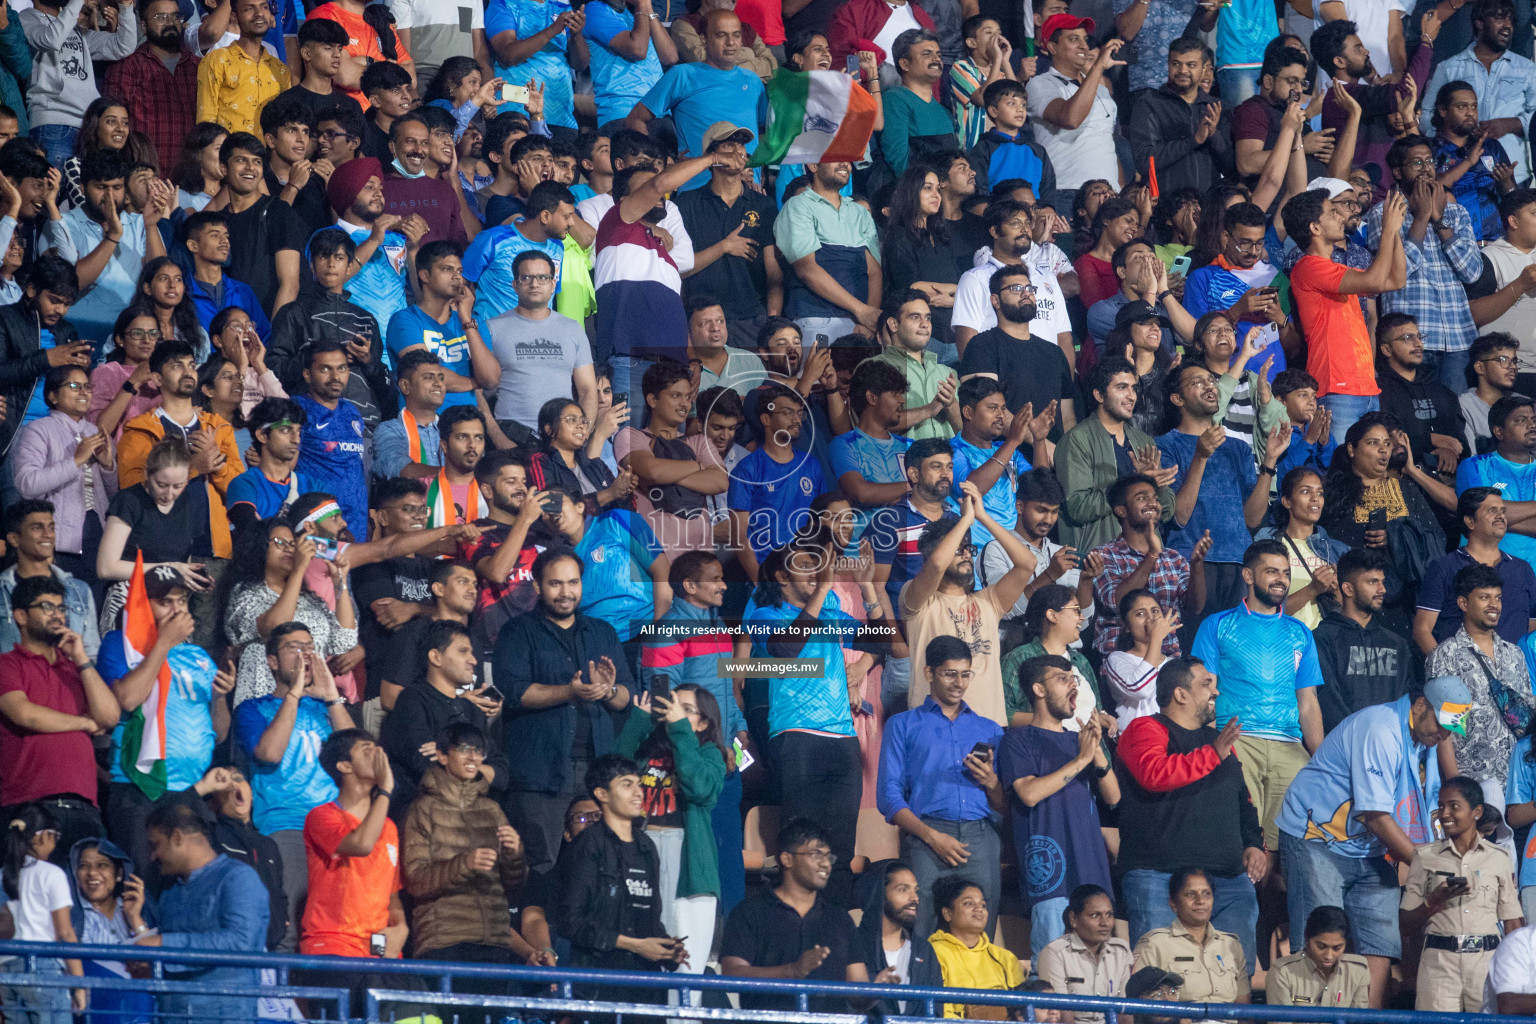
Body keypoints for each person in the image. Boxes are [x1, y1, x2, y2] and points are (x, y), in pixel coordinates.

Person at [1276, 676, 1472, 1008]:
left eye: (1451, 729)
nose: (1444, 735)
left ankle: (1367, 1018)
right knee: (1321, 938)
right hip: (1316, 838)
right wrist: (1426, 864)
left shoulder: (1414, 737)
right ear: (1420, 705)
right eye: (1441, 724)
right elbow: (1375, 815)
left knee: (1381, 940)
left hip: (1365, 847)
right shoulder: (1381, 729)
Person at [495, 548, 633, 874]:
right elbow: (516, 692)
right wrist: (570, 692)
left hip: (596, 769)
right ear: (538, 587)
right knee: (540, 869)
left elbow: (627, 697)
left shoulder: (602, 632)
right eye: (556, 584)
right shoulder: (517, 632)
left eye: (573, 583)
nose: (566, 592)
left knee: (601, 868)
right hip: (540, 772)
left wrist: (608, 690)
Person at [98, 565, 230, 881]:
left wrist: (220, 696)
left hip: (191, 790)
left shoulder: (200, 656)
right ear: (144, 606)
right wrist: (163, 643)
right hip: (138, 788)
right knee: (143, 883)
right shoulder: (120, 645)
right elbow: (127, 700)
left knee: (198, 885)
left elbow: (221, 733)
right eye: (166, 602)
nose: (176, 609)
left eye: (182, 601)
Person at [1191, 540, 1325, 847]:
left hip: (1290, 748)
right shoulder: (1217, 625)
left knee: (1285, 853)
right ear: (1248, 576)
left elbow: (1308, 702)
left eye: (1285, 573)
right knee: (1240, 845)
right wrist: (1212, 749)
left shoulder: (1300, 632)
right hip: (1238, 742)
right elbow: (1204, 692)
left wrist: (1320, 759)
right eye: (1271, 571)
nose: (1281, 579)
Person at [231, 623, 354, 950]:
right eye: (294, 647)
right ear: (272, 661)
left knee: (335, 931)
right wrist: (295, 694)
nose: (305, 655)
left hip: (334, 827)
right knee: (289, 930)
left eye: (310, 647)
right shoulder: (253, 708)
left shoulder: (326, 708)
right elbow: (269, 753)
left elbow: (357, 755)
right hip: (285, 827)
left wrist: (331, 698)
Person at [877, 636, 1005, 939]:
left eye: (965, 674)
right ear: (928, 673)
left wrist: (992, 783)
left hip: (981, 837)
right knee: (919, 932)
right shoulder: (902, 725)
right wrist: (932, 837)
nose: (959, 683)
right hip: (926, 836)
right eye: (950, 674)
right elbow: (889, 798)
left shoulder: (990, 729)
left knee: (980, 935)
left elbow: (1004, 805)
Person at [611, 684, 727, 996]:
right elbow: (610, 778)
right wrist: (638, 722)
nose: (676, 713)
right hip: (642, 853)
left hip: (688, 867)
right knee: (641, 967)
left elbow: (699, 788)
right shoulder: (648, 752)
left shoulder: (709, 754)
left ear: (703, 723)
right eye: (673, 706)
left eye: (687, 710)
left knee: (684, 975)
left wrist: (679, 730)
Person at [1000, 655, 1118, 958]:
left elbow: (1114, 797)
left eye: (1074, 679)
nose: (1073, 685)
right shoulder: (1017, 739)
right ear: (1039, 689)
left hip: (1091, 866)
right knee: (1054, 966)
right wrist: (1081, 759)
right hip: (1052, 872)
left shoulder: (1079, 740)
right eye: (1063, 678)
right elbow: (1028, 793)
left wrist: (1097, 753)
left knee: (1099, 969)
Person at [0, 574, 119, 860]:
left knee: (81, 901)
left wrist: (81, 658)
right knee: (32, 901)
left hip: (85, 807)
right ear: (20, 616)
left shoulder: (74, 670)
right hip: (29, 805)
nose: (58, 614)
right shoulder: (8, 665)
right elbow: (24, 714)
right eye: (47, 607)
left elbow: (110, 716)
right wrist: (82, 723)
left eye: (61, 608)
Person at [1158, 365, 1291, 610]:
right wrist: (1200, 455)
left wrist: (1269, 461)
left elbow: (1251, 519)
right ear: (1177, 398)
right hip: (1189, 560)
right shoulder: (1164, 446)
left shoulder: (1237, 448)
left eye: (1211, 381)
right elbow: (1179, 516)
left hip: (1238, 561)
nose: (1210, 386)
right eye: (1198, 382)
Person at [902, 486, 1036, 725]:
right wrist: (964, 520)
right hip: (934, 724)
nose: (966, 555)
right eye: (957, 550)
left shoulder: (988, 601)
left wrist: (982, 516)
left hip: (988, 724)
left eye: (968, 549)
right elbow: (935, 566)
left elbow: (1027, 563)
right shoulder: (917, 600)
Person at [1283, 187, 1408, 441]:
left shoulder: (1333, 268)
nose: (1341, 216)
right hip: (1335, 387)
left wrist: (1394, 233)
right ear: (1314, 228)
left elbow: (1396, 279)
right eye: (1332, 212)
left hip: (1364, 386)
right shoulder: (1308, 267)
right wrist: (1386, 230)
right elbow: (1374, 281)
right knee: (1339, 469)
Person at [558, 753, 683, 1000]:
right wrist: (636, 945)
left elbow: (651, 919)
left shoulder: (646, 846)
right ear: (602, 794)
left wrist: (667, 949)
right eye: (627, 784)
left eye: (639, 784)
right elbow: (570, 922)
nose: (639, 792)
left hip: (645, 987)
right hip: (599, 988)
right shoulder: (589, 844)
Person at [401, 721, 528, 964]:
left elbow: (512, 887)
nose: (474, 757)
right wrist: (464, 864)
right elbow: (415, 881)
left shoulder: (492, 809)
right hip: (445, 941)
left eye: (479, 751)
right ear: (441, 755)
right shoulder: (423, 808)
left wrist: (515, 855)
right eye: (464, 749)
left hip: (495, 941)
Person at [135, 800, 267, 1023]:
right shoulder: (170, 891)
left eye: (155, 845)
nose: (153, 856)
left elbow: (240, 943)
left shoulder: (238, 878)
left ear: (176, 837)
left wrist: (162, 945)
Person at [1402, 775, 1525, 1011]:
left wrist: (1516, 973)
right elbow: (1405, 925)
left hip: (1486, 965)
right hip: (1438, 966)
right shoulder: (1424, 856)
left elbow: (1511, 921)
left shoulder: (1499, 857)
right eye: (1440, 806)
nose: (1444, 813)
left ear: (1476, 812)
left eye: (1453, 806)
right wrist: (1435, 900)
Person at [1425, 563, 1536, 821]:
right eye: (1484, 597)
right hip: (1474, 788)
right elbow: (1443, 730)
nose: (1494, 605)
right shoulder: (1446, 656)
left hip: (1519, 790)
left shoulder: (1515, 654)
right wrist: (1457, 792)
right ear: (1463, 603)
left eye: (1497, 598)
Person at [721, 817, 869, 1010]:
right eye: (816, 855)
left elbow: (859, 994)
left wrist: (878, 992)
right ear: (787, 858)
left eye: (828, 856)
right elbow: (732, 974)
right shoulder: (749, 913)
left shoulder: (840, 920)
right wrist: (792, 971)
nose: (826, 864)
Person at [626, 10, 766, 191]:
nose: (731, 43)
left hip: (746, 191)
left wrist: (757, 169)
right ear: (703, 39)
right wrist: (659, 160)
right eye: (721, 35)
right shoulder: (682, 75)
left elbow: (763, 131)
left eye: (736, 35)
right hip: (696, 190)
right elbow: (635, 119)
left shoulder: (753, 81)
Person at [675, 123, 779, 349]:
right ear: (711, 156)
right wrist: (723, 247)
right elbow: (676, 270)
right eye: (728, 144)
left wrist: (772, 323)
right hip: (700, 321)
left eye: (741, 144)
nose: (737, 151)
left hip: (751, 321)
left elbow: (774, 273)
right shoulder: (685, 204)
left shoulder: (764, 205)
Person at [1056, 358, 1177, 552]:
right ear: (1099, 395)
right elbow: (1077, 507)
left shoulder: (1143, 441)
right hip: (1099, 561)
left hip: (1146, 557)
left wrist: (1158, 487)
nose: (1131, 396)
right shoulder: (1077, 440)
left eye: (1133, 388)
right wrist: (1129, 483)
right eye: (1122, 387)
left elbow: (1167, 511)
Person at [1419, 0, 1536, 189]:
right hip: (1459, 175)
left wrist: (1511, 124)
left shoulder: (1528, 69)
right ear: (1479, 23)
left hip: (1513, 173)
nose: (1508, 26)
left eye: (1510, 21)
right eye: (1500, 19)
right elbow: (1426, 116)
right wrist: (1451, 135)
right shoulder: (1448, 68)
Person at [1089, 473, 1205, 658]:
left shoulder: (1174, 558)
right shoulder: (1104, 555)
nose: (1152, 503)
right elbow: (1115, 602)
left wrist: (1197, 565)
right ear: (1121, 510)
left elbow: (1195, 607)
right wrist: (1152, 555)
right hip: (1121, 659)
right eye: (1142, 498)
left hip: (1167, 659)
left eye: (1155, 499)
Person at [953, 200, 1075, 371]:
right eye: (1015, 223)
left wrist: (1065, 387)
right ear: (994, 231)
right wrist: (982, 389)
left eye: (1027, 223)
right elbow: (967, 340)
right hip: (1000, 380)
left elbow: (1063, 337)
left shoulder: (1047, 277)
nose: (1024, 229)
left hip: (1048, 378)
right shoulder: (975, 279)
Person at [487, 250, 595, 443]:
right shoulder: (493, 328)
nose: (534, 284)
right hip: (511, 436)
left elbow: (587, 389)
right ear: (515, 285)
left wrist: (581, 434)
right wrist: (498, 438)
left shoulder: (573, 329)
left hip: (561, 438)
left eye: (543, 277)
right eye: (526, 277)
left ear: (553, 284)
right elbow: (478, 391)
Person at [774, 160, 883, 348]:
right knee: (819, 378)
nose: (845, 164)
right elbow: (806, 270)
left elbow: (874, 272)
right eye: (836, 157)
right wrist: (862, 310)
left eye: (847, 159)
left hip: (860, 326)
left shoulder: (860, 213)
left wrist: (868, 319)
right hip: (816, 319)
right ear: (813, 165)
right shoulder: (797, 206)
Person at [18, 0, 137, 167]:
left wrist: (126, 7)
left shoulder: (73, 28)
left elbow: (123, 46)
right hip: (53, 124)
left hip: (87, 126)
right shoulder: (26, 18)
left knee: (81, 192)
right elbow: (51, 40)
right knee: (55, 191)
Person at [1416, 488, 1536, 652]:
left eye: (1503, 511)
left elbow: (1532, 630)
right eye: (1492, 511)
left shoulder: (1523, 569)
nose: (1501, 516)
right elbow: (1422, 630)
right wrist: (1446, 672)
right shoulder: (1444, 567)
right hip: (1460, 673)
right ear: (1470, 521)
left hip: (1514, 673)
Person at [1027, 18, 1122, 214]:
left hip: (1110, 194)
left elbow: (1107, 142)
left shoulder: (1101, 89)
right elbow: (1070, 119)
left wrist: (1121, 189)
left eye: (1085, 39)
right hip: (1068, 191)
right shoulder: (1040, 84)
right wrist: (1098, 67)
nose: (1084, 46)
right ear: (1052, 47)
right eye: (1073, 39)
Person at [1313, 548, 1414, 734]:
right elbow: (1327, 699)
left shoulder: (1397, 644)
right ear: (1348, 589)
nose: (1382, 589)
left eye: (1382, 582)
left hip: (1391, 747)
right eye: (1372, 582)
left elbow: (1406, 700)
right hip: (1343, 746)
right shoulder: (1322, 637)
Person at [0, 804, 85, 1017]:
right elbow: (65, 933)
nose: (55, 845)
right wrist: (79, 984)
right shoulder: (51, 874)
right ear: (42, 837)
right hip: (43, 970)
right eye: (54, 837)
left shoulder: (1, 875)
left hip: (6, 973)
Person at [1131, 868, 1252, 1006]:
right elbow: (1137, 1006)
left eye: (1206, 894)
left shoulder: (1231, 945)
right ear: (1173, 903)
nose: (1200, 901)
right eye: (1190, 894)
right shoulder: (1154, 944)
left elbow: (1244, 1009)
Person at [102, 0, 197, 173]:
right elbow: (110, 130)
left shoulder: (199, 67)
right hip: (144, 177)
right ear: (144, 27)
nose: (170, 23)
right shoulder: (127, 67)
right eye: (161, 17)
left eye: (175, 17)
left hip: (191, 180)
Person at [1128, 39, 1233, 195]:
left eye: (1191, 65)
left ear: (1204, 70)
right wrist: (1193, 141)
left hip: (1209, 207)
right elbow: (1144, 161)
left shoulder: (1218, 107)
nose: (1183, 70)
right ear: (1168, 65)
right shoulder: (1149, 104)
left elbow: (1231, 168)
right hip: (1166, 206)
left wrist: (1213, 135)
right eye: (1176, 64)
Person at [1254, 467, 1348, 628]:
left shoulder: (1336, 550)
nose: (1315, 499)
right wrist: (1312, 589)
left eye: (1320, 493)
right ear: (1286, 501)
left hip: (1322, 645)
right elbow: (1261, 609)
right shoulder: (1268, 542)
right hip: (1280, 641)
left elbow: (1351, 613)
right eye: (1306, 492)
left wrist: (1338, 593)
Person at [929, 874, 1024, 1018]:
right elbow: (939, 1009)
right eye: (968, 903)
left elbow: (1022, 1007)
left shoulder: (1005, 957)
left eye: (983, 905)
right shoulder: (934, 952)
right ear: (948, 913)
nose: (979, 909)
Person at [1457, 394, 1536, 567]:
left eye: (1533, 419)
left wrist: (1499, 521)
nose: (1532, 425)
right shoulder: (1475, 466)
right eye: (1521, 420)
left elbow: (1490, 517)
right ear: (1499, 431)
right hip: (1485, 576)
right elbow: (1482, 514)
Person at [1035, 884, 1133, 1023]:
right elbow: (1061, 1013)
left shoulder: (1120, 951)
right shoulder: (1055, 953)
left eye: (1109, 915)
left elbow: (1125, 1011)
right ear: (1074, 919)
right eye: (1095, 915)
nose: (1105, 923)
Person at [195, 0, 288, 134]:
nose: (259, 14)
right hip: (229, 153)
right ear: (234, 15)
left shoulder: (280, 68)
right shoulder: (217, 60)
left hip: (268, 153)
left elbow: (284, 122)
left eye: (265, 7)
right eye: (249, 9)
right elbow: (206, 122)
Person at [852, 859, 943, 994]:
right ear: (880, 894)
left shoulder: (924, 949)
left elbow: (936, 1007)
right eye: (903, 889)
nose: (914, 898)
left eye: (915, 890)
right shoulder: (853, 944)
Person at [1266, 905, 1370, 1008]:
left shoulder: (1357, 971)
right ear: (1307, 937)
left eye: (1337, 948)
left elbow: (1359, 1020)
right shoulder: (1283, 972)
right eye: (1321, 946)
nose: (1329, 956)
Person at [1102, 590, 1172, 731]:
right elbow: (1140, 689)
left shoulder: (1172, 664)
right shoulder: (1117, 659)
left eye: (1155, 611)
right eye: (1140, 614)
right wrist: (1156, 639)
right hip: (1136, 740)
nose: (1150, 618)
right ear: (1126, 626)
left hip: (1170, 742)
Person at [1460, 334, 1520, 455]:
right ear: (1480, 367)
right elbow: (1472, 461)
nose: (1513, 367)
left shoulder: (1526, 405)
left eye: (1514, 361)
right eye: (1503, 360)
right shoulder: (1463, 406)